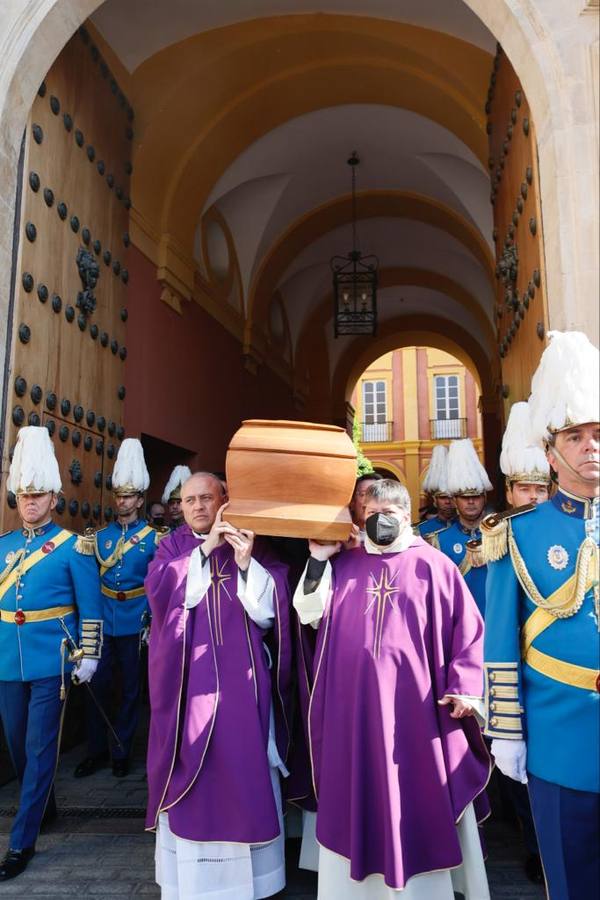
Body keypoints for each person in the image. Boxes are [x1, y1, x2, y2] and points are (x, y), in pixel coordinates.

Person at [293, 479, 490, 899]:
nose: (379, 522)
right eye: (370, 515)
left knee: (419, 793)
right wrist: (317, 560)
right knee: (356, 792)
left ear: (406, 515)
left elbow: (469, 633)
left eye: (389, 514)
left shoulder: (435, 567)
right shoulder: (344, 565)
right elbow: (309, 614)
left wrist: (465, 689)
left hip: (419, 714)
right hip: (354, 712)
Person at [482, 331, 599, 900]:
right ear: (551, 454)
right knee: (574, 882)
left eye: (599, 434)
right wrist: (506, 732)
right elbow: (500, 642)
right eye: (575, 436)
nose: (590, 447)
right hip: (561, 742)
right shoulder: (518, 535)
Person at [145, 472, 292, 900]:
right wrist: (205, 551)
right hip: (189, 685)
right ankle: (194, 881)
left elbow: (275, 609)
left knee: (245, 764)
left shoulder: (252, 539)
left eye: (206, 498)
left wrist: (247, 565)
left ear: (224, 499)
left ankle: (256, 879)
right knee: (192, 764)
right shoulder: (174, 545)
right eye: (188, 500)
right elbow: (159, 593)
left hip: (244, 684)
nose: (197, 507)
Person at [0, 427, 102, 880]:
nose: (30, 502)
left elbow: (91, 607)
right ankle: (47, 806)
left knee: (39, 750)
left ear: (55, 498)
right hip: (7, 658)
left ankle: (21, 843)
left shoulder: (73, 547)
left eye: (38, 494)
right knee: (18, 747)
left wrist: (90, 655)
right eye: (24, 495)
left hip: (52, 661)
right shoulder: (3, 547)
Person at [74, 439, 165, 779]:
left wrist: (153, 621)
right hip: (103, 621)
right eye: (118, 495)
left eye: (128, 496)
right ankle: (95, 750)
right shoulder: (97, 537)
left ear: (141, 499)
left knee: (129, 689)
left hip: (135, 620)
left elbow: (158, 586)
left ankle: (121, 750)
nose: (121, 501)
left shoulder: (156, 538)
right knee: (96, 687)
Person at [489, 400, 551, 885]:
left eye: (540, 486)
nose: (533, 494)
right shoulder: (502, 536)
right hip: (523, 676)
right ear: (509, 489)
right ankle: (535, 846)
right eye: (524, 487)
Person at [428, 438, 492, 617]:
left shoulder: (500, 537)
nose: (471, 501)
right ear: (455, 500)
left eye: (476, 496)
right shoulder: (437, 541)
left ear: (484, 498)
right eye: (464, 497)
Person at [415, 444, 456, 536]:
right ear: (435, 500)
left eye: (451, 497)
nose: (447, 502)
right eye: (443, 497)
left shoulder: (468, 528)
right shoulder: (420, 530)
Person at [349, 472, 383, 539]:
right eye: (364, 494)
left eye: (376, 494)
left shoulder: (394, 540)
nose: (371, 499)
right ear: (352, 503)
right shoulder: (340, 540)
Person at [161, 465, 191, 530]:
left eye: (179, 503)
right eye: (171, 503)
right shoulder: (165, 531)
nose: (174, 507)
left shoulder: (197, 531)